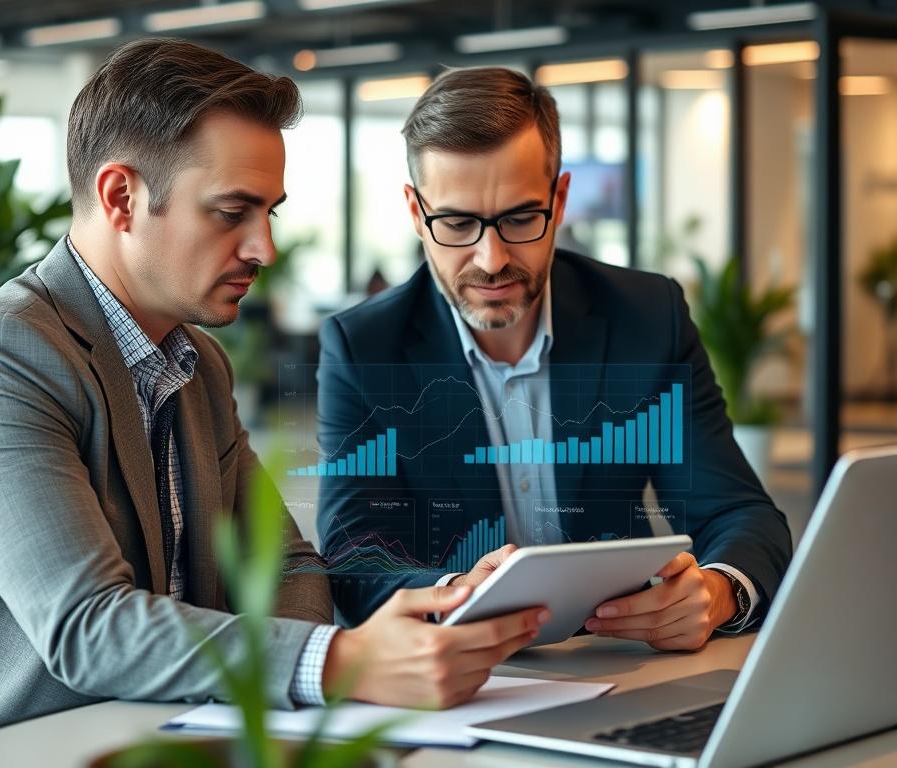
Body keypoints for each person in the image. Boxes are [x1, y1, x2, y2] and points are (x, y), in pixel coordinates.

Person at [0, 42, 545, 762]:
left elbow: (290, 567)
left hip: (146, 735)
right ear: (120, 197)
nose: (264, 247)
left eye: (269, 213)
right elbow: (86, 626)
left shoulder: (199, 366)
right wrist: (341, 662)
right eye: (232, 212)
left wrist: (339, 653)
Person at [317, 67, 792, 650]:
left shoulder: (646, 316)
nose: (490, 260)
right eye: (458, 223)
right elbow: (355, 555)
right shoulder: (364, 347)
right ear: (417, 213)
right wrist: (458, 593)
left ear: (559, 200)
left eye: (520, 218)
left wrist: (716, 592)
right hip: (458, 675)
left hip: (617, 660)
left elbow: (741, 513)